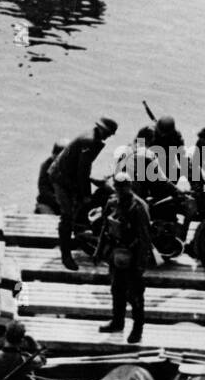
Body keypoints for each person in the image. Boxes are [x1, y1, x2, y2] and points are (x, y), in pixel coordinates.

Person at [47, 116, 117, 270]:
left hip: (69, 175)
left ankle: (79, 235)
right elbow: (82, 172)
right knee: (67, 215)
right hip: (61, 178)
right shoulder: (90, 141)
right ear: (102, 130)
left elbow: (83, 168)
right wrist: (85, 194)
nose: (109, 136)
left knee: (82, 204)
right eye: (108, 133)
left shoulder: (93, 137)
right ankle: (66, 255)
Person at [95, 173, 153, 344]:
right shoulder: (112, 203)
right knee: (116, 289)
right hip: (116, 254)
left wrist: (142, 264)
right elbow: (104, 229)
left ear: (130, 185)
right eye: (118, 187)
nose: (121, 190)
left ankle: (137, 329)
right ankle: (117, 321)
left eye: (124, 186)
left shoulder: (139, 207)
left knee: (135, 295)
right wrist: (99, 252)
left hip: (133, 256)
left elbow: (145, 237)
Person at [34, 140, 65, 214]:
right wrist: (58, 200)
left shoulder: (70, 166)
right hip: (48, 203)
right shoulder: (46, 166)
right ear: (53, 155)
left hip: (65, 203)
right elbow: (43, 189)